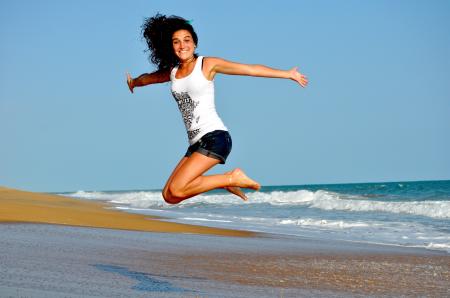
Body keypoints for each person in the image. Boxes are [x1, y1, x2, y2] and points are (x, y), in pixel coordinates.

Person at [126, 14, 308, 204]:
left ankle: (231, 178)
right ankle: (225, 181)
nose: (182, 46)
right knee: (169, 195)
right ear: (171, 47)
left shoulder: (207, 64)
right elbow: (149, 78)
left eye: (187, 40)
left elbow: (249, 69)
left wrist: (287, 74)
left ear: (195, 44)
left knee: (178, 188)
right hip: (196, 143)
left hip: (215, 138)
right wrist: (134, 82)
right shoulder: (173, 72)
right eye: (176, 42)